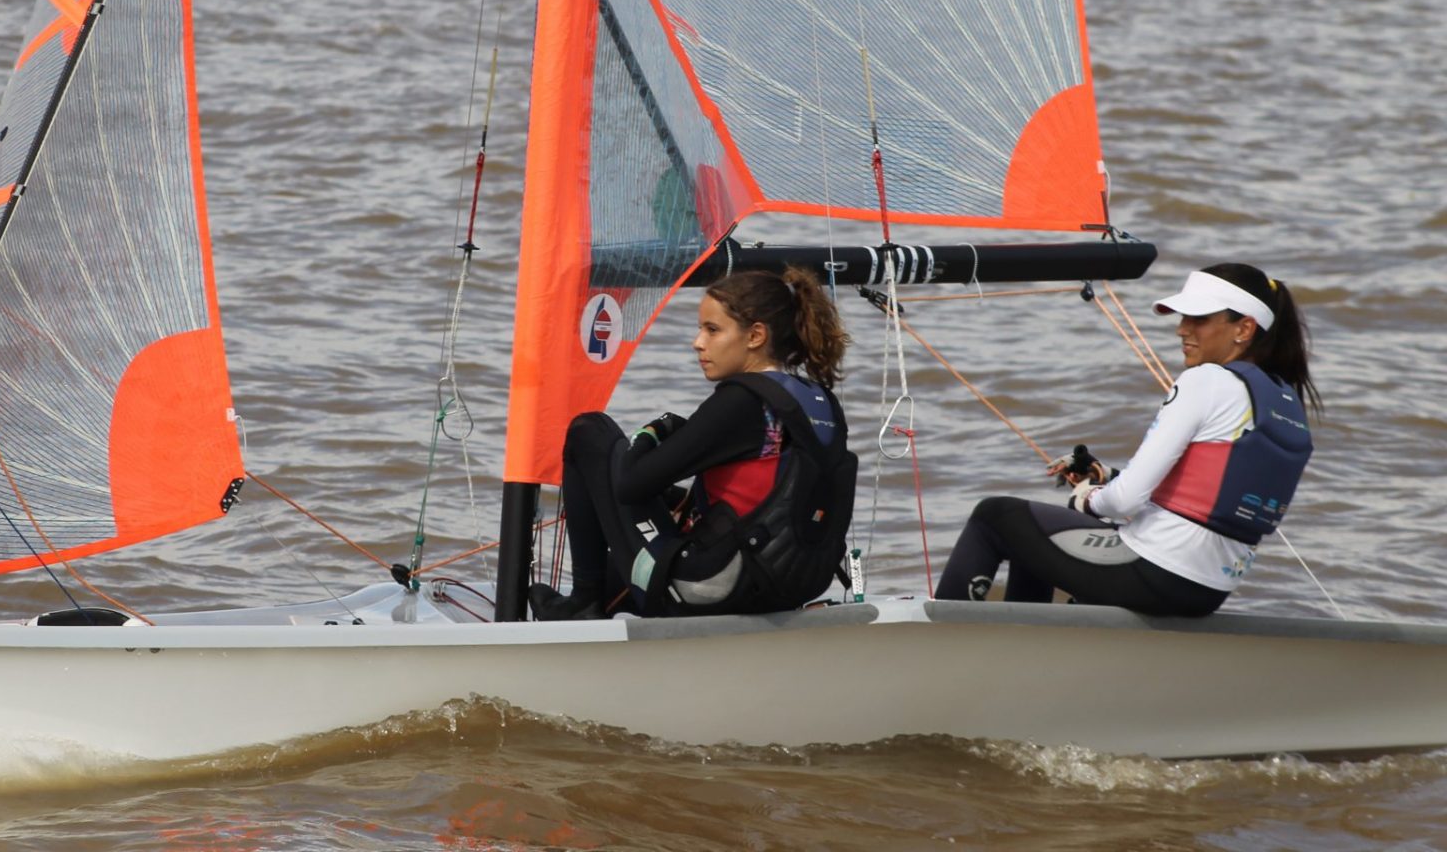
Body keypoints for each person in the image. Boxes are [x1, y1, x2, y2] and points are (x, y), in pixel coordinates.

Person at [935, 262, 1319, 618]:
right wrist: (1107, 476)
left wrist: (1087, 498)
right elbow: (1209, 492)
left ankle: (944, 638)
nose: (1182, 329)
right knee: (1034, 537)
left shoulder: (1207, 380)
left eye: (1199, 319)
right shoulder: (1281, 399)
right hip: (1207, 588)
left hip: (1155, 571)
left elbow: (1124, 502)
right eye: (1183, 317)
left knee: (995, 516)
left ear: (1244, 329)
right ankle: (1028, 646)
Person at [529, 266, 857, 621]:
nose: (698, 342)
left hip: (712, 590)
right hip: (784, 586)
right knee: (638, 551)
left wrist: (655, 430)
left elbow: (629, 485)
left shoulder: (740, 401)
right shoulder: (820, 402)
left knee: (589, 432)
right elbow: (762, 493)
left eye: (712, 330)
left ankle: (584, 602)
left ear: (755, 336)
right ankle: (607, 597)